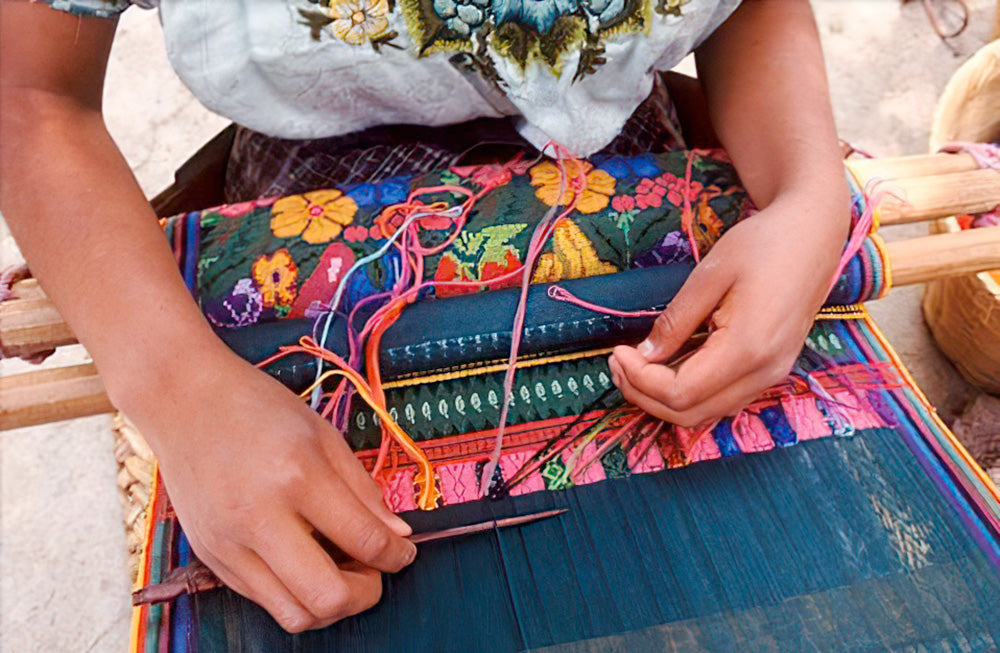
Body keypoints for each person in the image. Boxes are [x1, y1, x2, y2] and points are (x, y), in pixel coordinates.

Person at [0, 0, 849, 633]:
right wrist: (179, 388)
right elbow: (32, 94)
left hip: (648, 209)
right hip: (309, 243)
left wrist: (808, 195)